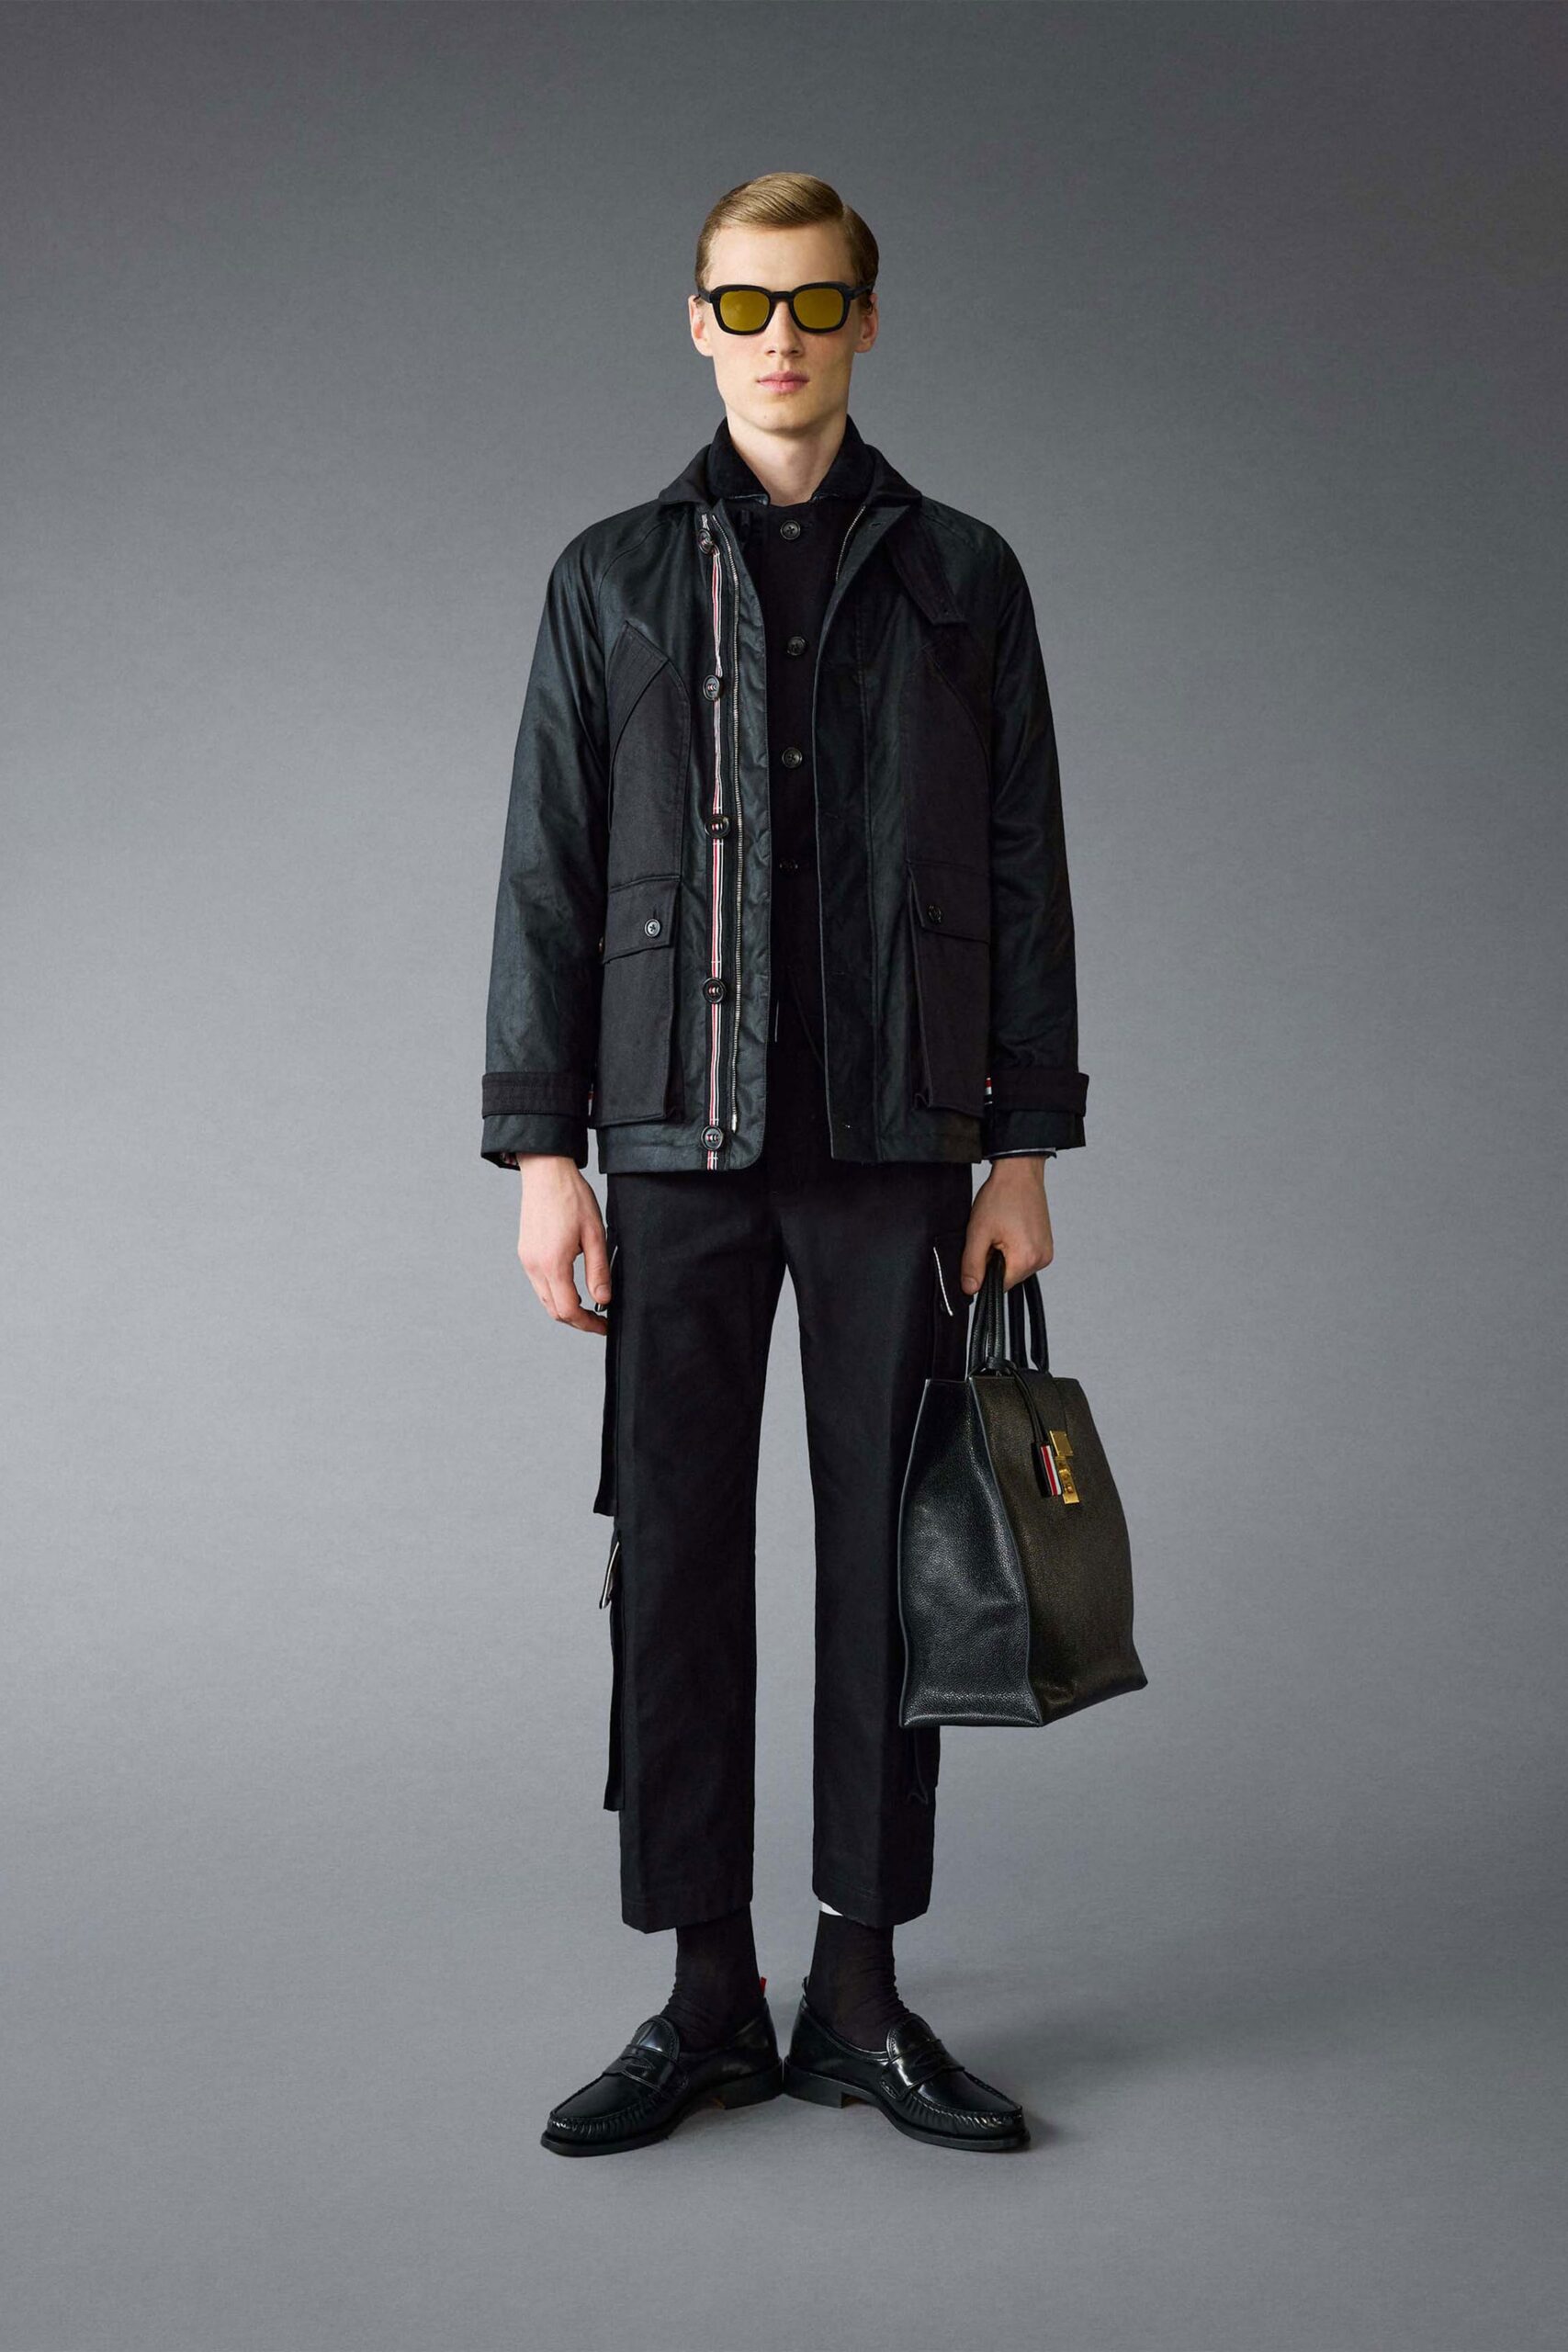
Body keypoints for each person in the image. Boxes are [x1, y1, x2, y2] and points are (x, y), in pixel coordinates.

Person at [481, 172, 1088, 2157]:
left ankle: (859, 1995)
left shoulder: (963, 575)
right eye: (744, 305)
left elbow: (1021, 866)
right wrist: (541, 1153)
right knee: (671, 1557)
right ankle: (702, 1996)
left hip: (896, 1140)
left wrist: (1021, 1144)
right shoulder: (610, 577)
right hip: (672, 1135)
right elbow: (550, 868)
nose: (779, 340)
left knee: (890, 1569)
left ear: (865, 322)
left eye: (815, 304)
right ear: (696, 321)